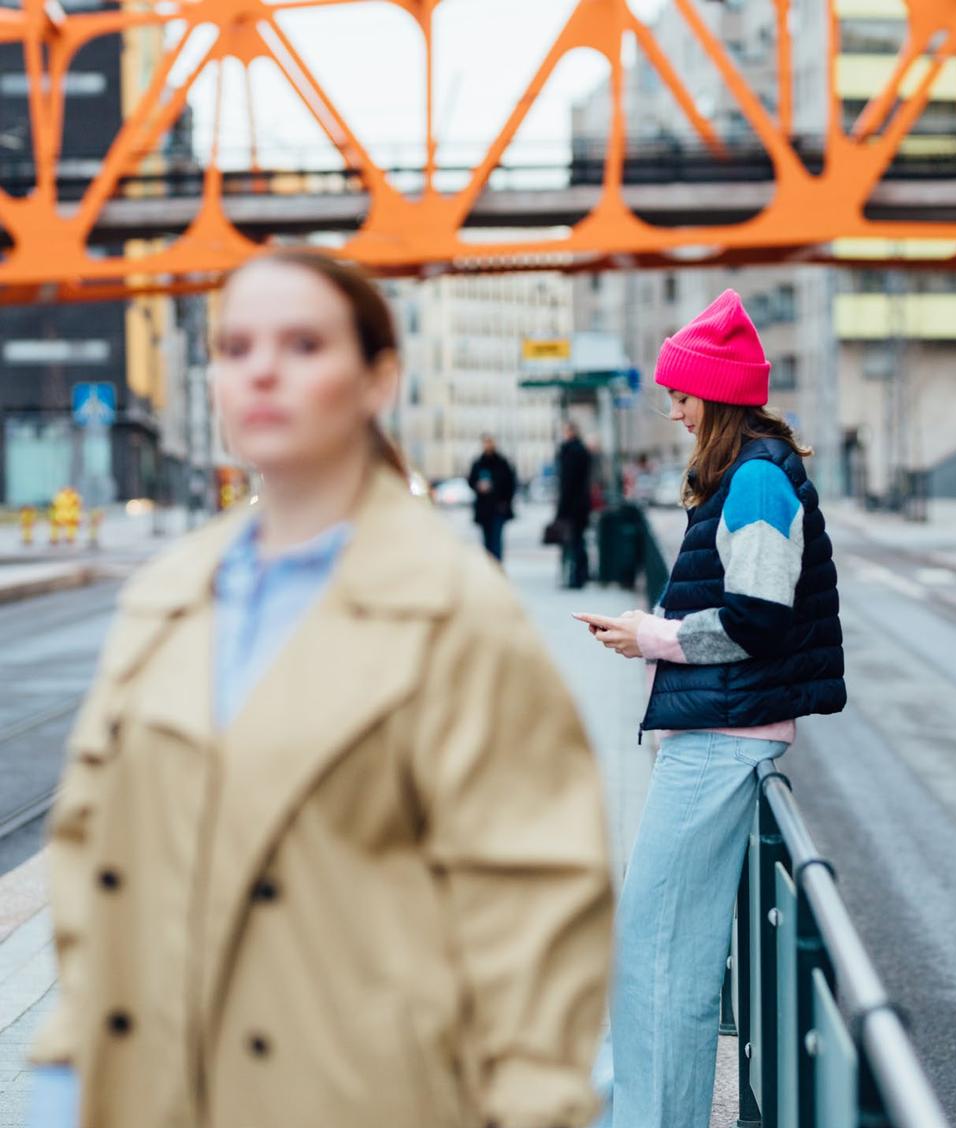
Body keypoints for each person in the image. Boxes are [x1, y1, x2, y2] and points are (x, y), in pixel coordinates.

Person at [29, 251, 614, 1128]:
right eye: (234, 348)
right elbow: (88, 848)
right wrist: (64, 1072)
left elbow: (536, 912)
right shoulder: (167, 593)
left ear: (380, 379)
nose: (260, 370)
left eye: (303, 344)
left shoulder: (458, 613)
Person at [573, 289, 846, 1128]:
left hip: (722, 742)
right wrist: (647, 635)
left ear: (720, 397)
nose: (675, 410)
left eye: (684, 395)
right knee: (665, 956)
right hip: (717, 737)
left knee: (654, 958)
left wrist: (649, 637)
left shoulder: (757, 481)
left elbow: (756, 621)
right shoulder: (748, 476)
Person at [555, 421, 593, 589]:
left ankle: (576, 578)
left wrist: (561, 510)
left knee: (574, 542)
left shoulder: (570, 452)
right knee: (579, 541)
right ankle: (581, 575)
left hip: (572, 506)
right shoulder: (581, 450)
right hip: (581, 505)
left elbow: (567, 484)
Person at [468, 434, 517, 562]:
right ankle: (488, 569)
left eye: (490, 442)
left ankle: (497, 568)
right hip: (484, 509)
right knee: (486, 542)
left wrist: (504, 501)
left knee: (496, 541)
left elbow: (510, 484)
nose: (488, 445)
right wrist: (478, 486)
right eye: (486, 443)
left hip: (498, 508)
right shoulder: (478, 463)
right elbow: (471, 480)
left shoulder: (502, 463)